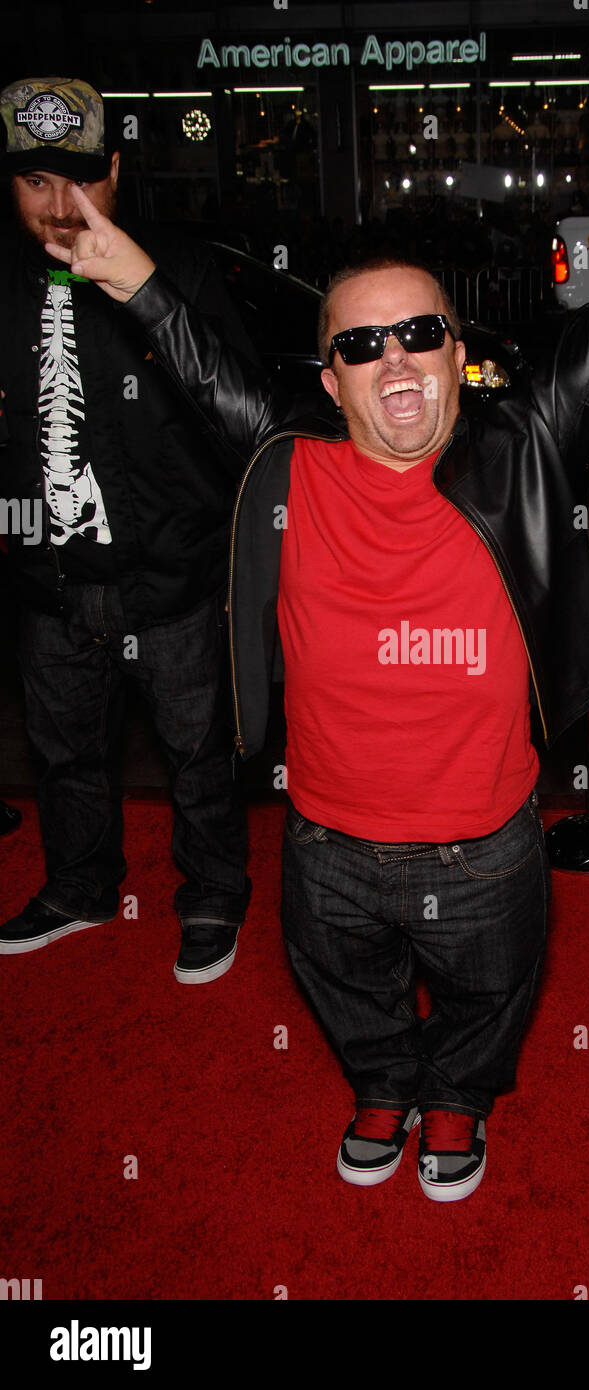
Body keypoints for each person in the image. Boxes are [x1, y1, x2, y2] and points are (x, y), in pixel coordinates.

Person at [47, 127, 589, 1200]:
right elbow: (205, 371)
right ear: (329, 379)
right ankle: (382, 1083)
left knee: (490, 996)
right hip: (325, 839)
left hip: (485, 846)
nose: (396, 361)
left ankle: (459, 1097)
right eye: (361, 345)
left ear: (454, 350)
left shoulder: (520, 451)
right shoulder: (294, 464)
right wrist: (132, 276)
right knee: (344, 990)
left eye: (419, 333)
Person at [0, 76, 258, 982]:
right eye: (34, 182)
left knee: (199, 756)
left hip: (172, 577)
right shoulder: (2, 283)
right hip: (47, 582)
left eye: (78, 179)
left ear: (114, 169)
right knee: (64, 750)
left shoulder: (177, 271)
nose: (60, 206)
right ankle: (78, 887)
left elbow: (240, 414)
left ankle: (214, 894)